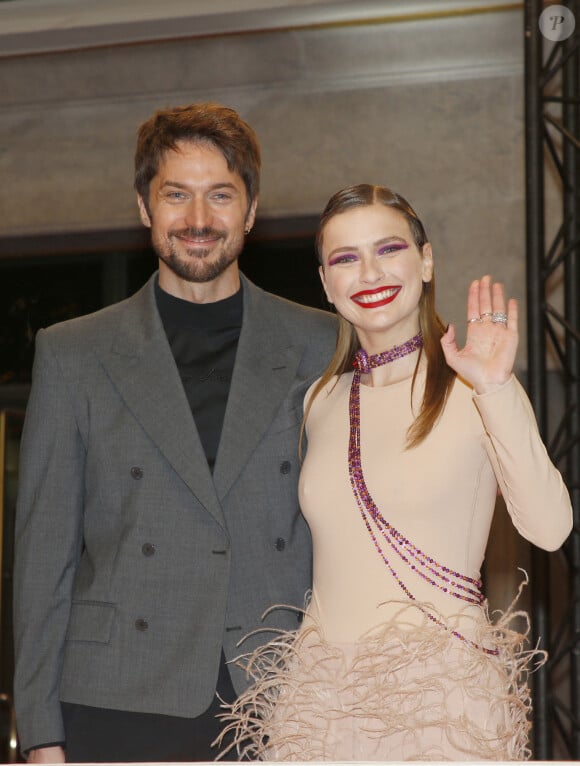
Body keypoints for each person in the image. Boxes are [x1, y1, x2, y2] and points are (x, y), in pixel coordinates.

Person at [12, 102, 337, 763]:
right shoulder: (76, 352)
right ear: (144, 208)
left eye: (220, 195)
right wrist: (40, 730)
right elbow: (45, 554)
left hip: (283, 691)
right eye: (175, 196)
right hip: (117, 695)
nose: (197, 220)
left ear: (250, 211)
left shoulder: (321, 341)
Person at [218, 184, 573, 761]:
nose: (369, 273)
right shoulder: (318, 399)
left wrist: (498, 389)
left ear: (426, 261)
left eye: (389, 249)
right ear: (327, 283)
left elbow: (551, 529)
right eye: (346, 259)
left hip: (441, 701)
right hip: (320, 703)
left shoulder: (474, 385)